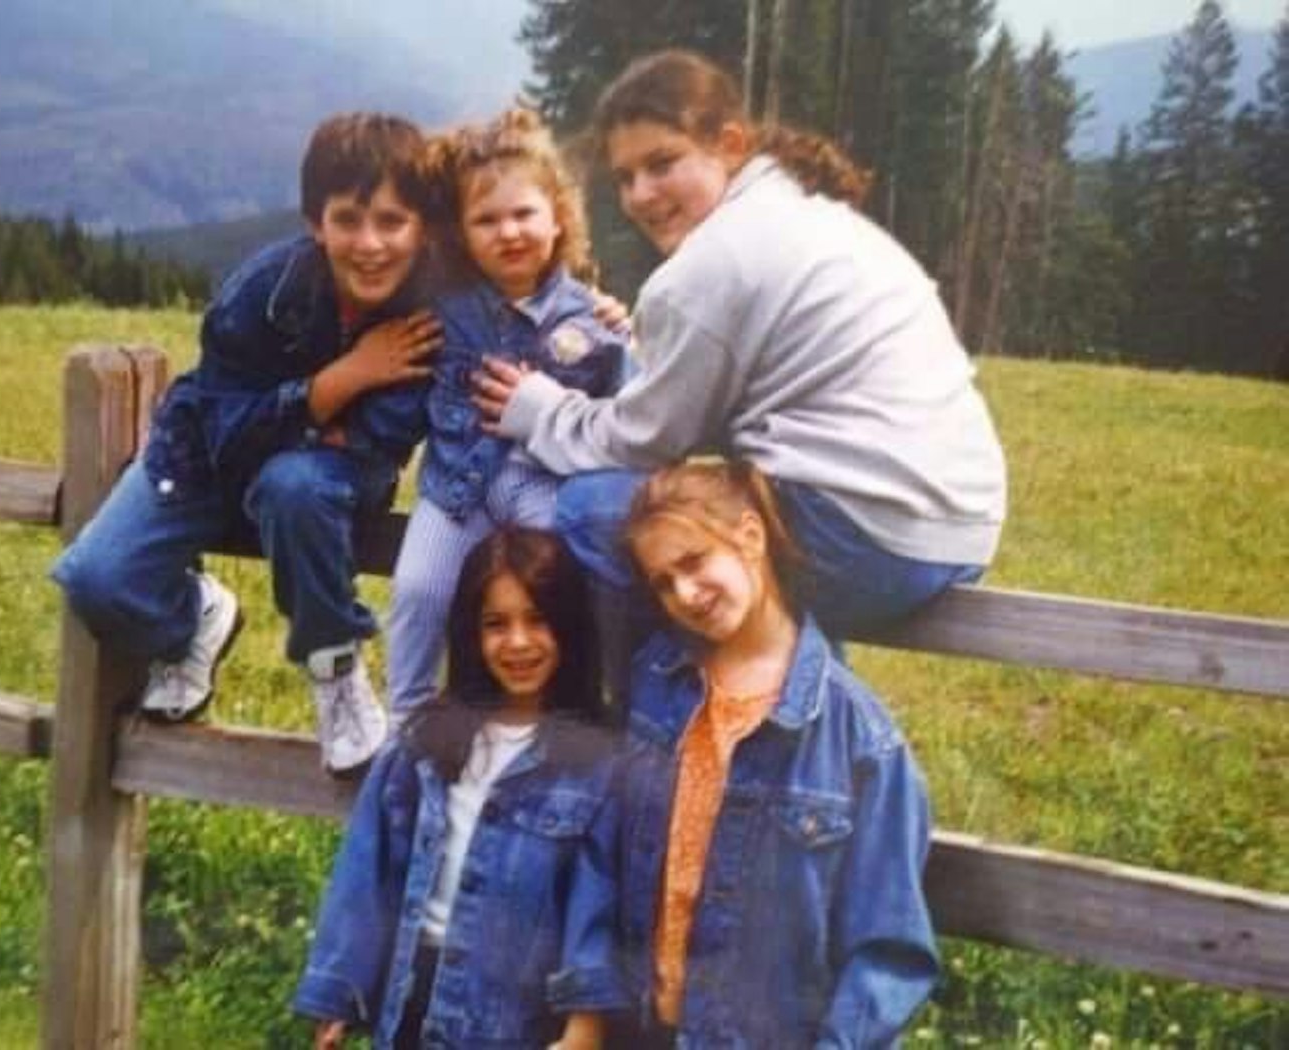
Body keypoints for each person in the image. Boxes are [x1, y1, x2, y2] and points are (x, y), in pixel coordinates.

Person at [474, 49, 1006, 649]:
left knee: (593, 508)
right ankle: (796, 708)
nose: (641, 195)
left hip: (867, 544)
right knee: (723, 530)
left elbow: (644, 442)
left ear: (729, 144)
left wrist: (540, 409)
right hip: (960, 533)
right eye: (625, 178)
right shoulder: (816, 215)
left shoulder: (711, 263)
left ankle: (669, 714)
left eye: (662, 163)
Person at [51, 113, 444, 776]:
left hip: (317, 482)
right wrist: (342, 382)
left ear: (422, 225)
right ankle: (196, 619)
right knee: (96, 579)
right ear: (316, 223)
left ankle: (334, 667)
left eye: (391, 221)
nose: (370, 243)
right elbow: (227, 432)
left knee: (294, 487)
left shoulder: (436, 306)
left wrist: (594, 313)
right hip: (199, 456)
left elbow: (389, 428)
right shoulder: (260, 294)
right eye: (348, 219)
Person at [613, 460, 938, 1047]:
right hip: (638, 1029)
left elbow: (888, 952)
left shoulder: (859, 738)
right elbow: (602, 852)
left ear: (750, 536)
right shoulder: (656, 686)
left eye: (694, 561)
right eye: (662, 581)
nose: (685, 593)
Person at [293, 527, 627, 1049]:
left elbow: (595, 901)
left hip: (516, 1011)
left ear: (571, 628)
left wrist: (585, 1022)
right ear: (470, 634)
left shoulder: (596, 764)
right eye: (496, 624)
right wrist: (338, 992)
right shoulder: (425, 743)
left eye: (538, 620)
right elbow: (368, 871)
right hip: (416, 994)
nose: (518, 642)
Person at [384, 107, 628, 721]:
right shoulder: (446, 305)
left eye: (524, 214)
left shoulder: (589, 321)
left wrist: (632, 337)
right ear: (460, 233)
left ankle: (566, 721)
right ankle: (407, 727)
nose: (508, 232)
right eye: (485, 220)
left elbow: (633, 420)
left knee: (560, 599)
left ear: (558, 215)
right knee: (418, 591)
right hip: (455, 492)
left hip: (543, 492)